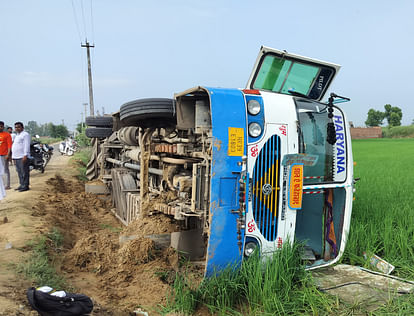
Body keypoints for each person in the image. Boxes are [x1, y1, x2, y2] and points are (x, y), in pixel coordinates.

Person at [12, 122, 31, 192]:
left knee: (24, 172)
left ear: (22, 128)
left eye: (18, 127)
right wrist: (13, 157)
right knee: (19, 172)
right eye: (16, 127)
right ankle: (21, 184)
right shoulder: (17, 135)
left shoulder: (25, 135)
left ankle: (25, 186)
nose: (17, 128)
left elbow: (26, 145)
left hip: (22, 156)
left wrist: (25, 155)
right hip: (16, 157)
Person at [0, 121, 12, 190]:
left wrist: (8, 155)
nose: (0, 127)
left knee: (5, 170)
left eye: (1, 126)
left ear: (3, 127)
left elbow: (9, 146)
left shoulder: (7, 135)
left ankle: (7, 185)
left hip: (4, 155)